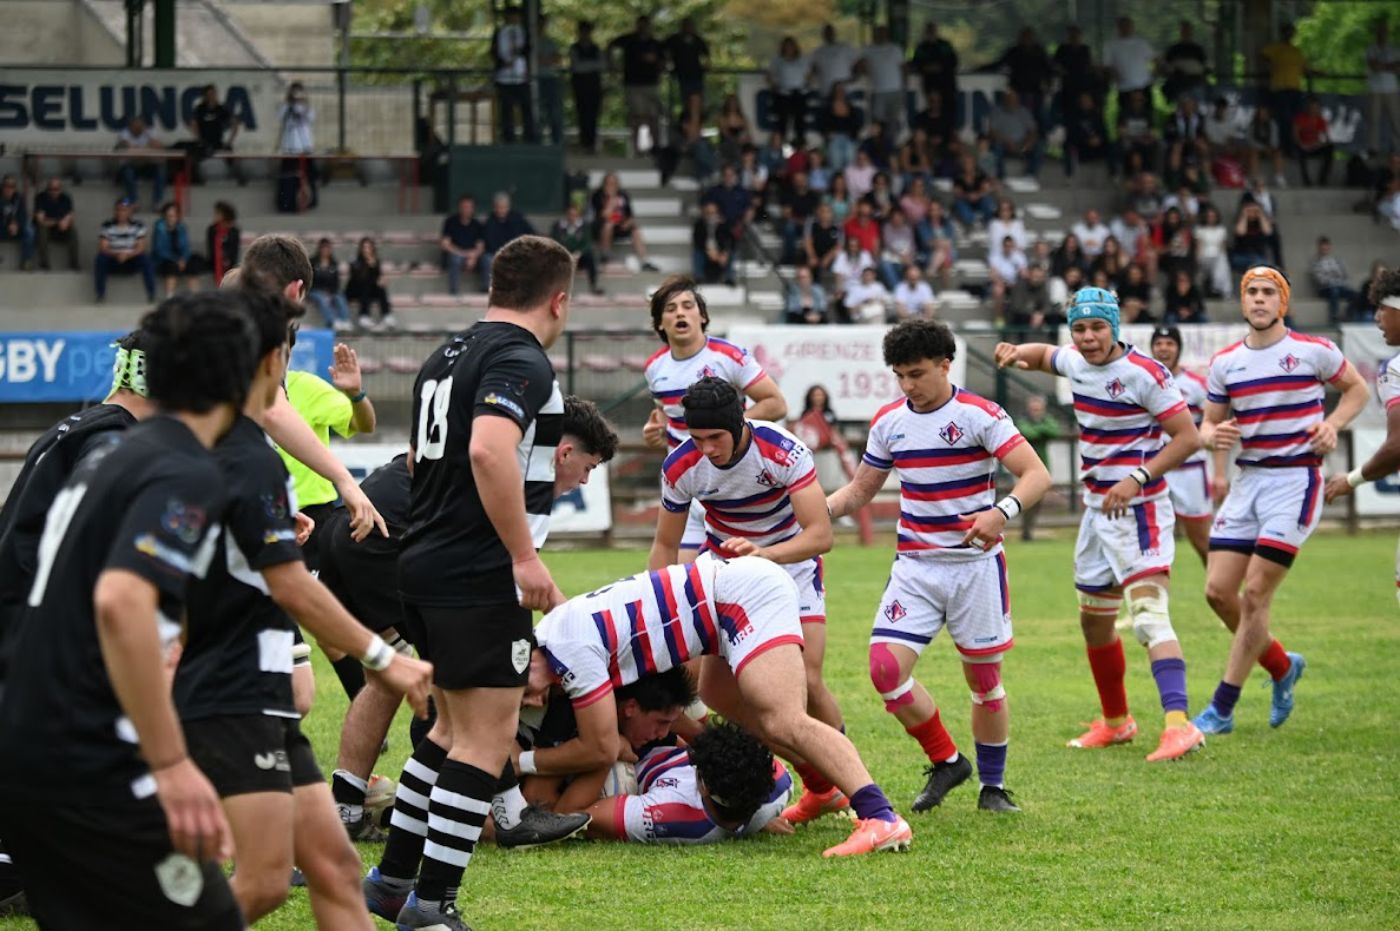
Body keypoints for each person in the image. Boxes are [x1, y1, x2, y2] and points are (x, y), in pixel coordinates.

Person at [0, 292, 262, 930]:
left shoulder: (111, 448)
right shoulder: (176, 465)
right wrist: (172, 765)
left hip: (28, 730)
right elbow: (120, 600)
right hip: (85, 746)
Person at [176, 288, 431, 929]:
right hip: (226, 694)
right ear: (268, 362)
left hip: (249, 689)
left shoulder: (209, 450)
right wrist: (388, 659)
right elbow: (289, 587)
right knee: (261, 884)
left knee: (336, 870)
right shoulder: (235, 457)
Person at [361, 236, 580, 931]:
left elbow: (423, 462)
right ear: (558, 299)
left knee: (446, 734)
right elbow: (489, 448)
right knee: (486, 742)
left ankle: (392, 882)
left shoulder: (445, 354)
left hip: (424, 563)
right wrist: (520, 554)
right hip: (475, 572)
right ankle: (433, 907)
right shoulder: (519, 358)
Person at [328, 398, 618, 844]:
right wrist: (570, 633)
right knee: (474, 680)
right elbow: (523, 583)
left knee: (388, 677)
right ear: (564, 453)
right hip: (391, 537)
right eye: (589, 467)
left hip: (362, 528)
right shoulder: (520, 469)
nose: (583, 479)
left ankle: (346, 811)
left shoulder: (504, 436)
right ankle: (503, 815)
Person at [526, 555, 913, 856]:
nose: (529, 700)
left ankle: (880, 816)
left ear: (525, 658)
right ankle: (822, 787)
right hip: (719, 610)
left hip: (739, 596)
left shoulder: (570, 649)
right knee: (736, 710)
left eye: (524, 691)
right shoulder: (553, 637)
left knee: (783, 719)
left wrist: (520, 765)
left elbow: (600, 747)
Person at [827, 320, 1049, 813]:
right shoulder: (889, 422)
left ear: (946, 365)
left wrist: (1000, 512)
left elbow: (1036, 475)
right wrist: (812, 512)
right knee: (886, 670)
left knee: (985, 684)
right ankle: (947, 760)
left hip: (975, 569)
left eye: (917, 374)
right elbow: (860, 491)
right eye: (900, 376)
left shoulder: (980, 414)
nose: (909, 386)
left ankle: (992, 788)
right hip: (916, 568)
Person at [994, 288, 1207, 763]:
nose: (1088, 338)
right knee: (1094, 624)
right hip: (1097, 513)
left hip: (1141, 510)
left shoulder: (1146, 374)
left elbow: (1188, 437)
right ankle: (1117, 723)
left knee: (1149, 617)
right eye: (1080, 329)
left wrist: (1136, 478)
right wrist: (1014, 353)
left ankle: (1179, 725)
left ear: (1115, 328)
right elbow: (1043, 355)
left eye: (1097, 328)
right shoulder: (1075, 361)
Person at [650, 377, 845, 818]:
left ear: (741, 423)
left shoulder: (783, 451)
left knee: (807, 683)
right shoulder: (682, 466)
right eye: (697, 439)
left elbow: (820, 535)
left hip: (792, 566)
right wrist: (657, 604)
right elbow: (665, 546)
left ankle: (850, 779)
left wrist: (765, 554)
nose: (707, 449)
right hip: (729, 576)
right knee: (717, 694)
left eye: (715, 438)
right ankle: (821, 785)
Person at [1194, 267, 1369, 737]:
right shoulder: (1226, 362)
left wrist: (1334, 424)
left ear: (1283, 302)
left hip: (1295, 482)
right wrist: (1216, 437)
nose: (1259, 299)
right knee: (1217, 592)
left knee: (1255, 595)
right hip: (1248, 482)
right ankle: (1280, 666)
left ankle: (1222, 708)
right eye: (1251, 292)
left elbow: (1358, 389)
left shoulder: (1313, 351)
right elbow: (1208, 426)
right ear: (1242, 300)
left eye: (1269, 292)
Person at [642, 278, 787, 554]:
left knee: (738, 577)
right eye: (671, 309)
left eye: (688, 306)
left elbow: (776, 403)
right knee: (681, 582)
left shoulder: (728, 356)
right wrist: (654, 432)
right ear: (660, 323)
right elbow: (667, 420)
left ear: (702, 316)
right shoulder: (654, 368)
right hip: (686, 485)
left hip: (730, 484)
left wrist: (728, 429)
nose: (680, 313)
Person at [1323, 268, 1400, 601]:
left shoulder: (1396, 368)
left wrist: (1350, 480)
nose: (1377, 317)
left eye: (1383, 308)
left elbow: (1398, 446)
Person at [586, 723, 792, 844]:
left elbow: (586, 816)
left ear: (704, 787)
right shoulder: (781, 786)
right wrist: (760, 822)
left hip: (629, 753)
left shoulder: (670, 816)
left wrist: (612, 748)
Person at [279, 342, 376, 570]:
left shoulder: (307, 386)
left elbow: (365, 425)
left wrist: (356, 394)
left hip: (313, 516)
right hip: (260, 512)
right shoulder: (236, 394)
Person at [1148, 326, 1211, 566]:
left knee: (1202, 539)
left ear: (1179, 349)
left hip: (1190, 470)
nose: (1164, 348)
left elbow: (1213, 426)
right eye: (1159, 343)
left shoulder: (1196, 385)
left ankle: (1221, 590)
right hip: (1154, 469)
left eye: (1169, 343)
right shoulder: (1142, 381)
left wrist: (1219, 474)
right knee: (1150, 542)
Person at [610, 15, 665, 155]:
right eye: (641, 25)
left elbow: (663, 61)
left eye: (646, 25)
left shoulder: (655, 43)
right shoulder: (629, 40)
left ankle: (656, 148)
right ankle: (638, 149)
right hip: (633, 84)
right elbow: (611, 46)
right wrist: (613, 66)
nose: (644, 28)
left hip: (652, 84)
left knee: (654, 117)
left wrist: (657, 63)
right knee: (638, 117)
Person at [1260, 23, 1311, 156]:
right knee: (1283, 119)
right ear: (1282, 33)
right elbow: (1263, 56)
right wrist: (1270, 67)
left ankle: (1294, 147)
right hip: (1280, 88)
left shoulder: (1297, 51)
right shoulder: (1275, 48)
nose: (1289, 35)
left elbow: (1305, 69)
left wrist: (1318, 72)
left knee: (1296, 120)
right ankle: (1282, 148)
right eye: (1287, 32)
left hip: (1295, 88)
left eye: (1291, 32)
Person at [1014, 395, 1060, 541]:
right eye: (1034, 408)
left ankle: (1028, 530)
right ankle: (1025, 531)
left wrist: (1039, 429)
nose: (1036, 411)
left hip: (1042, 465)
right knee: (1026, 498)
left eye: (1038, 409)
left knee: (1038, 500)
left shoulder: (1046, 419)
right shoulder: (1023, 420)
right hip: (1024, 466)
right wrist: (1041, 431)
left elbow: (1054, 430)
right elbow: (1028, 432)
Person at [94, 197, 156, 303]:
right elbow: (103, 248)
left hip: (131, 260)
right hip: (113, 260)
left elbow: (140, 248)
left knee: (146, 259)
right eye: (118, 209)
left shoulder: (138, 225)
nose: (121, 213)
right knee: (100, 259)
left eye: (124, 210)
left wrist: (127, 255)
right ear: (115, 211)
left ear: (129, 212)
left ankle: (151, 294)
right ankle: (100, 295)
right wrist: (117, 254)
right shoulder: (107, 225)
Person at [990, 28, 1054, 130]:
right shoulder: (1014, 51)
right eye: (1024, 37)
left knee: (1038, 116)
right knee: (1018, 116)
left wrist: (1049, 86)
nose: (1026, 40)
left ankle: (1040, 139)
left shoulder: (1040, 52)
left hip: (1035, 91)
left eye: (1029, 37)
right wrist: (979, 69)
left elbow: (1049, 69)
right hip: (1018, 91)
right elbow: (999, 64)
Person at [492, 6, 535, 144]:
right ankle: (508, 138)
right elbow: (494, 53)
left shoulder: (523, 32)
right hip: (504, 77)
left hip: (521, 76)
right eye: (511, 16)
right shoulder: (499, 33)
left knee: (526, 107)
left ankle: (529, 137)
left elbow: (528, 50)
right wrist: (502, 64)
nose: (513, 19)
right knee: (506, 109)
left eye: (516, 16)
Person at [859, 26, 907, 141]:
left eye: (882, 33)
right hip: (877, 90)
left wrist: (904, 87)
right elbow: (861, 66)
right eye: (877, 33)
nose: (880, 35)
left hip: (895, 90)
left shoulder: (895, 49)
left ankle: (891, 144)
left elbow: (903, 68)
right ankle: (878, 145)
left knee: (893, 121)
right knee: (877, 121)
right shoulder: (868, 49)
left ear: (887, 34)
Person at [151, 202, 209, 297]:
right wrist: (176, 260)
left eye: (174, 215)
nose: (172, 218)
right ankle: (170, 296)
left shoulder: (181, 227)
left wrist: (184, 259)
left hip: (180, 258)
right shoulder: (159, 228)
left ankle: (196, 298)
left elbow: (186, 246)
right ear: (164, 216)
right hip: (164, 259)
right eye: (169, 216)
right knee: (171, 267)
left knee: (193, 265)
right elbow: (160, 250)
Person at [187, 84, 242, 182]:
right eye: (209, 94)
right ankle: (196, 179)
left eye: (214, 94)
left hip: (217, 142)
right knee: (192, 154)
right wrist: (198, 138)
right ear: (205, 96)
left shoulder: (221, 109)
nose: (212, 96)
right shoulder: (200, 108)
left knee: (231, 154)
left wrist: (230, 141)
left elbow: (235, 123)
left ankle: (231, 178)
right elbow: (193, 123)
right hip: (204, 143)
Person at [481, 191, 536, 288]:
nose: (502, 210)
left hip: (515, 251)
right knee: (487, 259)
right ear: (495, 207)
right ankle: (488, 288)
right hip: (495, 252)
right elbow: (488, 241)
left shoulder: (517, 218)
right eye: (499, 207)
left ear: (509, 207)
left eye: (504, 207)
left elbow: (530, 233)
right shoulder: (489, 220)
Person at [276, 82, 317, 209]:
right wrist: (289, 103)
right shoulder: (285, 107)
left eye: (299, 92)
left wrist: (304, 103)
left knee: (308, 176)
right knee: (289, 176)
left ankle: (309, 202)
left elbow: (310, 117)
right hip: (290, 148)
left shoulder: (307, 107)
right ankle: (287, 203)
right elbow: (280, 116)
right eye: (294, 92)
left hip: (305, 148)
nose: (296, 95)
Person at [1102, 16, 1156, 111]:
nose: (1126, 28)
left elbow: (1155, 59)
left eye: (1128, 25)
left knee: (1147, 115)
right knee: (1126, 117)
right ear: (1118, 27)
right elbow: (1107, 65)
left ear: (1132, 27)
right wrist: (1115, 75)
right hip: (1124, 88)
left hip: (1143, 86)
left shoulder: (1142, 43)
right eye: (1123, 25)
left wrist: (1154, 74)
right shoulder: (1110, 45)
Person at [1364, 18, 1400, 157]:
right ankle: (1373, 148)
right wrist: (1390, 66)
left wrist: (1383, 66)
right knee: (1374, 120)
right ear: (1376, 33)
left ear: (1387, 33)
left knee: (1396, 120)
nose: (1382, 33)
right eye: (1380, 31)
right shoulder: (1371, 49)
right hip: (1375, 89)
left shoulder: (1394, 49)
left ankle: (1398, 149)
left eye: (1384, 31)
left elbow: (1398, 69)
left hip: (1392, 89)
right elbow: (1374, 65)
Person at [551, 201, 604, 295]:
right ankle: (559, 289)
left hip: (579, 256)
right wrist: (566, 254)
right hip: (563, 255)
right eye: (570, 215)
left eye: (575, 215)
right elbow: (554, 241)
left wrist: (578, 253)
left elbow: (588, 243)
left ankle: (593, 286)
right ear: (566, 214)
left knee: (590, 257)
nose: (572, 218)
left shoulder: (585, 226)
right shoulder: (558, 226)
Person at [569, 21, 605, 153]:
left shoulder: (596, 48)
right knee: (582, 114)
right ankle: (584, 142)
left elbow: (601, 65)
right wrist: (592, 65)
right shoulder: (574, 48)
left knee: (593, 115)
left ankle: (592, 143)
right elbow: (576, 67)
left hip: (594, 87)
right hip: (580, 87)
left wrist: (585, 65)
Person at [115, 116, 166, 208]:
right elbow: (127, 149)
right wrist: (146, 150)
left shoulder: (149, 132)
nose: (137, 129)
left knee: (160, 170)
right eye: (135, 127)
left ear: (143, 126)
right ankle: (133, 201)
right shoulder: (124, 133)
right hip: (130, 166)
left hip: (147, 165)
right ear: (130, 126)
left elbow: (160, 148)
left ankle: (158, 202)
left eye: (140, 126)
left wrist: (148, 140)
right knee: (127, 171)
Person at [440, 195, 486, 296]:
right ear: (459, 208)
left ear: (473, 209)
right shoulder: (450, 222)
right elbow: (445, 244)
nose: (466, 209)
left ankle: (485, 290)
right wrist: (463, 254)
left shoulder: (477, 224)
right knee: (455, 259)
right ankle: (454, 292)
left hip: (472, 256)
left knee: (487, 260)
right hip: (456, 253)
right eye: (464, 207)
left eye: (469, 207)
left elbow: (481, 246)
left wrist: (473, 256)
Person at [346, 236, 394, 330]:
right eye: (364, 247)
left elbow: (377, 277)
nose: (366, 250)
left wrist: (377, 273)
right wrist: (368, 266)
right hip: (355, 289)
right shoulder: (355, 261)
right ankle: (364, 316)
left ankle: (387, 315)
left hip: (369, 289)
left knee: (381, 288)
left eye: (369, 247)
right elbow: (357, 278)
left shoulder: (376, 261)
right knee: (365, 285)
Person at [770, 37, 810, 147]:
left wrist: (807, 84)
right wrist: (774, 86)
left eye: (791, 46)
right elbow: (770, 75)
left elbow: (809, 74)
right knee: (783, 123)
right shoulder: (777, 60)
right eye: (787, 46)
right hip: (784, 94)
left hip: (799, 93)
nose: (789, 48)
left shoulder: (802, 59)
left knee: (800, 124)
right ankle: (781, 145)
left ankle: (800, 146)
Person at [31, 176, 77, 271]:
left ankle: (74, 263)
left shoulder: (66, 198)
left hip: (60, 230)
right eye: (50, 189)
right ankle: (44, 263)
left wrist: (66, 221)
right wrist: (58, 221)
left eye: (56, 189)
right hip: (44, 230)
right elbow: (41, 220)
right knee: (42, 230)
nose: (53, 191)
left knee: (73, 231)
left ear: (60, 189)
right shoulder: (40, 197)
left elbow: (71, 216)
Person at [1311, 236, 1361, 325]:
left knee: (1355, 294)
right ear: (1319, 248)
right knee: (1335, 291)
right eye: (1323, 246)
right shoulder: (1316, 262)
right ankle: (1334, 317)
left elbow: (1345, 275)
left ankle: (1348, 315)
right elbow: (1321, 280)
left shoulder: (1337, 260)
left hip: (1339, 286)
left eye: (1326, 246)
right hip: (1325, 289)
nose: (1325, 248)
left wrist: (1332, 276)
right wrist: (1335, 277)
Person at [666, 17, 710, 111]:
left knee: (698, 99)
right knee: (686, 101)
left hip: (696, 74)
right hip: (682, 75)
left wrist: (706, 65)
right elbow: (665, 51)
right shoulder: (674, 40)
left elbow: (706, 55)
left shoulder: (697, 40)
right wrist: (668, 63)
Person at [309, 238, 352, 330]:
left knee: (340, 297)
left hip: (330, 290)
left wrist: (331, 293)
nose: (325, 251)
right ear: (319, 249)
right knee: (322, 299)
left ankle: (345, 320)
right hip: (315, 290)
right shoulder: (312, 262)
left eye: (327, 248)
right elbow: (311, 280)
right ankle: (332, 321)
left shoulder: (334, 263)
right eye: (323, 248)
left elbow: (336, 282)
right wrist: (324, 293)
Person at [535, 13, 565, 146]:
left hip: (551, 79)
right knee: (538, 112)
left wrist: (544, 60)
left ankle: (557, 142)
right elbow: (535, 60)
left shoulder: (550, 42)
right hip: (535, 80)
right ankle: (537, 142)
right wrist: (546, 60)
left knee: (555, 112)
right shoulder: (529, 42)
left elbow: (558, 60)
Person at [1292, 96, 1334, 187]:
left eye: (1316, 107)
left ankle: (1323, 180)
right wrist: (1302, 145)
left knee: (1330, 148)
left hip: (1315, 146)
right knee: (1299, 151)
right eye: (1311, 107)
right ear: (1308, 108)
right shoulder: (1301, 118)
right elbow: (1295, 135)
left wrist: (1319, 144)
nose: (1313, 110)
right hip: (1303, 147)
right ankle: (1307, 181)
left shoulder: (1321, 120)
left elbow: (1326, 138)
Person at [1161, 21, 1208, 103]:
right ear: (1180, 32)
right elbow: (1166, 67)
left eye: (1188, 30)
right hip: (1179, 85)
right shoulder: (1174, 49)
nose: (1186, 33)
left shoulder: (1198, 49)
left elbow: (1203, 67)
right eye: (1183, 30)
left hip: (1196, 84)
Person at [809, 23, 859, 99]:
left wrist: (854, 78)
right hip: (826, 91)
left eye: (830, 32)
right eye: (826, 32)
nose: (829, 34)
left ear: (835, 33)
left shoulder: (845, 47)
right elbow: (813, 70)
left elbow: (857, 64)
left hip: (845, 90)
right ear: (822, 35)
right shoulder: (818, 52)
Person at [691, 200, 735, 286]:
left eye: (713, 212)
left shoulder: (724, 225)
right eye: (709, 212)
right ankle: (698, 277)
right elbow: (697, 241)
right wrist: (708, 251)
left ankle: (729, 277)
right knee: (696, 253)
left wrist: (724, 252)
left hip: (720, 252)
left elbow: (730, 240)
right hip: (705, 251)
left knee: (732, 254)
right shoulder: (699, 225)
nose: (711, 215)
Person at [206, 200, 240, 286]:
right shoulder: (212, 229)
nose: (214, 215)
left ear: (225, 215)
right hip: (214, 261)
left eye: (217, 213)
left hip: (230, 262)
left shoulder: (234, 231)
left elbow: (234, 249)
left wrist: (227, 259)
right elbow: (211, 248)